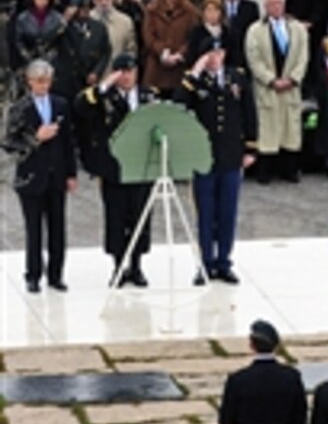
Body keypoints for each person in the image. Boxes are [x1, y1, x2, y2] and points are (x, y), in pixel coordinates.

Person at [175, 38, 257, 284]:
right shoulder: (195, 82)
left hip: (231, 153)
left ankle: (224, 261)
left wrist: (251, 147)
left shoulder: (237, 77)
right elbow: (179, 104)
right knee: (205, 212)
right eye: (209, 53)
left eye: (218, 52)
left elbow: (248, 112)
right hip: (204, 155)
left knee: (228, 211)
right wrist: (194, 73)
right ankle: (205, 262)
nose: (214, 58)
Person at [74, 53, 159, 287]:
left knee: (140, 216)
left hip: (142, 167)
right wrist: (103, 86)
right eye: (122, 72)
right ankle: (119, 266)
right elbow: (80, 108)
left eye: (131, 72)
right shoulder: (104, 97)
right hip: (115, 168)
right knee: (116, 217)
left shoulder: (148, 95)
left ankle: (137, 265)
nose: (127, 77)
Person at [4, 60, 78, 293]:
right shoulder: (20, 108)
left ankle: (56, 274)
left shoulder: (60, 105)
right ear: (30, 82)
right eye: (39, 81)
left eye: (47, 81)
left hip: (56, 175)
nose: (44, 86)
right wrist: (36, 138)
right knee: (33, 229)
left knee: (58, 228)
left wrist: (71, 173)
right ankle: (33, 274)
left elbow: (68, 142)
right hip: (31, 176)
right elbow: (8, 142)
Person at [245, 0, 309, 183]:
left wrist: (293, 79)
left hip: (291, 86)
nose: (276, 7)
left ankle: (289, 170)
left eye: (279, 3)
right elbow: (253, 59)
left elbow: (303, 57)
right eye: (272, 4)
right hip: (267, 88)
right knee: (268, 130)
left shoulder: (297, 28)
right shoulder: (255, 30)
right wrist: (271, 80)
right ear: (265, 6)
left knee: (290, 128)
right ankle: (265, 172)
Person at [142, 0, 199, 97]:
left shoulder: (190, 11)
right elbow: (148, 36)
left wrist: (180, 54)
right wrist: (162, 52)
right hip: (157, 67)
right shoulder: (152, 10)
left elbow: (193, 37)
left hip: (180, 68)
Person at [91, 0, 137, 76]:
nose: (104, 2)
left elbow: (131, 49)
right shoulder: (87, 20)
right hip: (92, 75)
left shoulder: (125, 21)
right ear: (93, 0)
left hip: (117, 74)